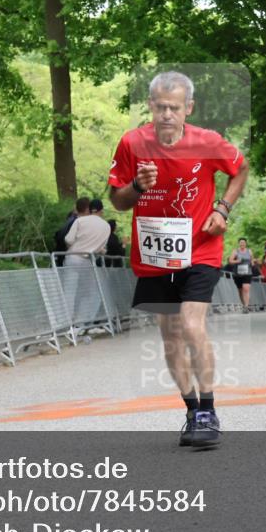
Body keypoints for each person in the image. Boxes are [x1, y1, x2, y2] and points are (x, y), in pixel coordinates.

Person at [108, 70, 248, 448]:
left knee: (191, 324)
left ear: (189, 108)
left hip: (201, 247)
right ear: (150, 105)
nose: (167, 114)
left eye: (175, 107)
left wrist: (222, 209)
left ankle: (208, 409)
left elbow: (241, 168)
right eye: (160, 107)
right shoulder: (132, 143)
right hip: (154, 253)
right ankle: (190, 410)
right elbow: (116, 200)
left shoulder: (208, 142)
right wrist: (137, 186)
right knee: (169, 336)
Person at [228, 238, 254, 313]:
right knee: (240, 290)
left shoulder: (249, 251)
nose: (242, 244)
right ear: (239, 244)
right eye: (241, 243)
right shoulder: (235, 251)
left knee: (246, 288)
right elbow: (230, 261)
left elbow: (252, 259)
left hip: (247, 273)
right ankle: (244, 305)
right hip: (238, 274)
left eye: (243, 243)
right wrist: (237, 261)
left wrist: (252, 263)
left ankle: (246, 306)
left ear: (246, 244)